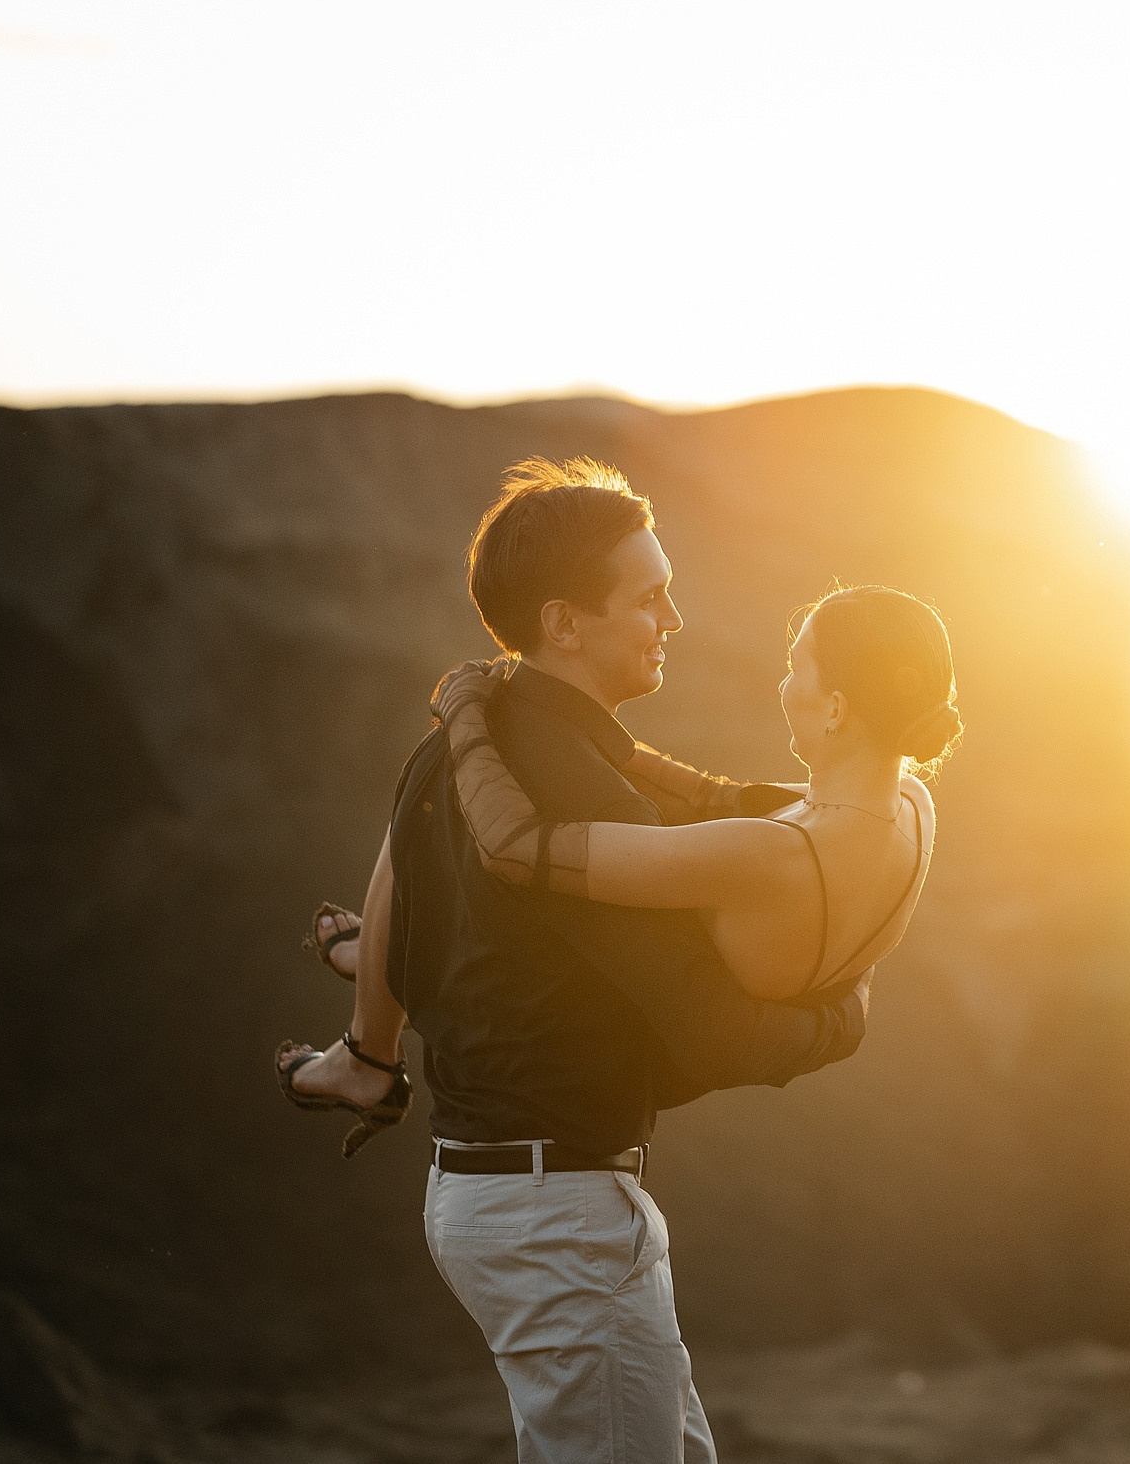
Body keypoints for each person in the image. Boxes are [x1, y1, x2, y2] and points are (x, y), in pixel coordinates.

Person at [273, 456, 900, 1464]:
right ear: (565, 621)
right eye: (649, 596)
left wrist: (373, 1026)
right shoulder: (573, 792)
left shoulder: (463, 743)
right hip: (553, 1215)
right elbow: (704, 1026)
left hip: (515, 1200)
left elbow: (398, 864)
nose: (674, 618)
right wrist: (846, 1012)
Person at [429, 581, 956, 1002]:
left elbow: (514, 847)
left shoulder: (771, 855)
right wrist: (581, 728)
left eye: (796, 668)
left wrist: (464, 710)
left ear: (837, 709)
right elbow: (712, 798)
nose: (783, 685)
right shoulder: (911, 804)